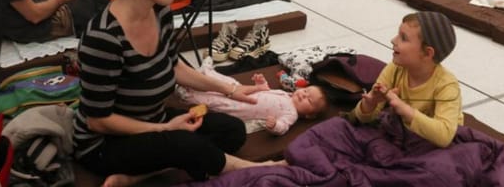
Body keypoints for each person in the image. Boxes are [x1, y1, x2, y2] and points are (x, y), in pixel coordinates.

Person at [74, 0, 282, 186]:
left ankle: (135, 177)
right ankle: (255, 170)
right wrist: (165, 129)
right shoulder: (103, 38)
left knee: (232, 130)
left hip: (154, 118)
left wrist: (230, 89)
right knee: (186, 144)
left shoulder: (159, 12)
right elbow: (98, 121)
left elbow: (174, 66)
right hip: (106, 144)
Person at [350, 11, 462, 148]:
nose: (393, 40)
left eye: (403, 38)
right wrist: (370, 104)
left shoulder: (447, 85)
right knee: (336, 129)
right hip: (401, 134)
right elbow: (363, 118)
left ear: (427, 53)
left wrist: (402, 108)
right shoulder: (395, 69)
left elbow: (444, 136)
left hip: (431, 145)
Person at [177, 62, 328, 135]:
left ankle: (187, 95)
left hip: (242, 108)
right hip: (246, 92)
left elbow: (283, 127)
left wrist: (275, 125)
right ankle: (207, 73)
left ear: (309, 115)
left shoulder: (291, 114)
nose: (303, 95)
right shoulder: (286, 94)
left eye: (309, 100)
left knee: (218, 102)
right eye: (306, 91)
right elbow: (267, 91)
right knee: (229, 83)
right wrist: (261, 83)